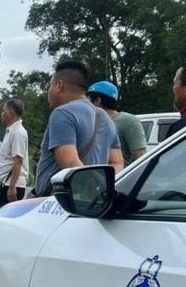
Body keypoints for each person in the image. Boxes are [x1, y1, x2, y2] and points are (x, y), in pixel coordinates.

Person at [33, 60, 124, 197]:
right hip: (91, 205)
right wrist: (101, 191)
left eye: (49, 86)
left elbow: (70, 163)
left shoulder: (63, 113)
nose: (49, 91)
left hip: (60, 203)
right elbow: (117, 162)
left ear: (59, 85)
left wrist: (89, 192)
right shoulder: (105, 117)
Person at [87, 81, 147, 165]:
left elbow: (141, 157)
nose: (85, 105)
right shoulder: (89, 122)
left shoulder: (128, 121)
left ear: (97, 101)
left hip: (120, 176)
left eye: (88, 101)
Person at [0, 99, 30, 210]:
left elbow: (18, 161)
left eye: (4, 111)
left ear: (11, 113)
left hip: (11, 185)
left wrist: (12, 187)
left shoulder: (18, 133)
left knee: (4, 220)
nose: (1, 114)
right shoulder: (11, 131)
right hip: (4, 184)